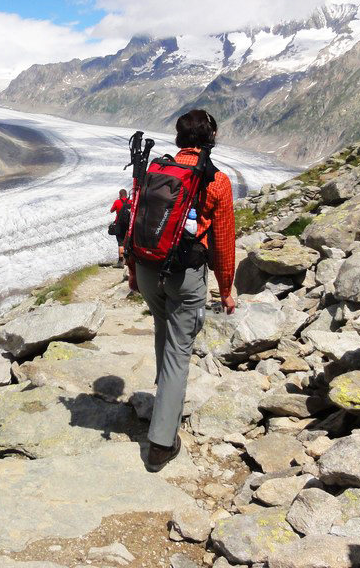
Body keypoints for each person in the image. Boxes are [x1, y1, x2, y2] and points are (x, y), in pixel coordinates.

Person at [129, 109, 236, 472]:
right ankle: (161, 443)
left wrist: (133, 273)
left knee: (164, 329)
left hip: (147, 269)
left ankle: (163, 402)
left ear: (178, 137)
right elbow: (222, 241)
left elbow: (136, 222)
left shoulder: (158, 170)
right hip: (183, 275)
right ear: (212, 135)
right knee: (179, 351)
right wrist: (226, 288)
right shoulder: (215, 181)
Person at [110, 188, 131, 268]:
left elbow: (111, 210)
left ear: (120, 194)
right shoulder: (130, 201)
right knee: (128, 242)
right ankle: (127, 261)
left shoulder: (117, 202)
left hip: (119, 224)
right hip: (128, 225)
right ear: (126, 194)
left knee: (120, 243)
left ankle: (120, 262)